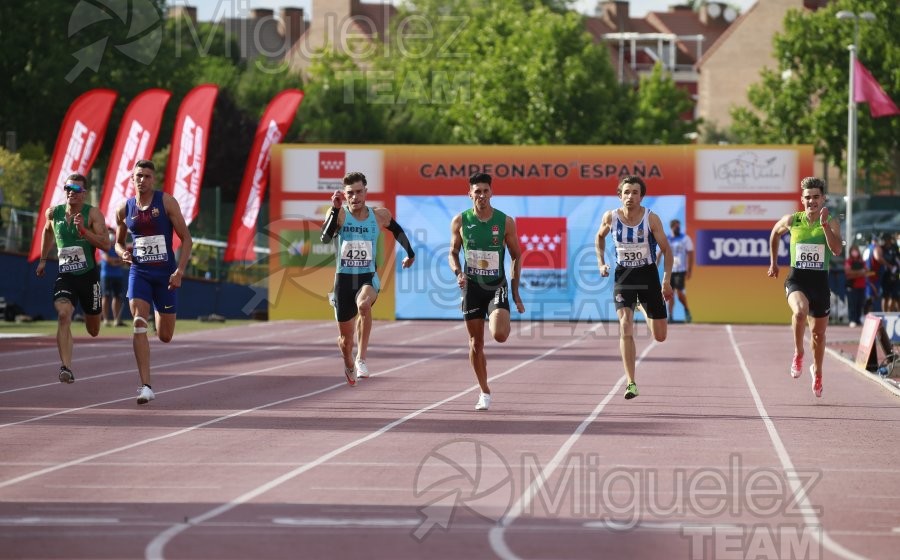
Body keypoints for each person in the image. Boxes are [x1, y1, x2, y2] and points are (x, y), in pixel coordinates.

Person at [320, 171, 415, 386]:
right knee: (345, 341)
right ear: (344, 195)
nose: (355, 197)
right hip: (343, 280)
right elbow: (325, 237)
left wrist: (410, 253)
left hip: (367, 276)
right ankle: (348, 361)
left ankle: (361, 358)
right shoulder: (339, 214)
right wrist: (335, 210)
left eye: (359, 192)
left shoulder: (379, 215)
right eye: (350, 193)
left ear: (366, 191)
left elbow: (397, 230)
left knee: (364, 304)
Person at [114, 160, 192, 405]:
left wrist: (179, 271)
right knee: (138, 321)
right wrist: (122, 253)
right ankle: (146, 386)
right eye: (139, 175)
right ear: (132, 179)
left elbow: (187, 239)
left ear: (153, 179)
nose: (142, 180)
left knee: (165, 335)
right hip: (139, 273)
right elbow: (117, 242)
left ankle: (159, 314)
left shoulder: (166, 202)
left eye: (147, 176)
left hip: (165, 276)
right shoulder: (124, 208)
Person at [448, 172, 525, 411]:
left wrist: (515, 292)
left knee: (500, 335)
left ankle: (503, 316)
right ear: (469, 194)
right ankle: (484, 391)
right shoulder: (460, 221)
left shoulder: (505, 221)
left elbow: (516, 256)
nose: (481, 195)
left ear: (491, 193)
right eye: (477, 191)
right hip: (471, 288)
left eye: (485, 191)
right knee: (475, 344)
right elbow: (452, 252)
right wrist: (458, 273)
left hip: (496, 286)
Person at [595, 176, 672, 400]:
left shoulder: (651, 219)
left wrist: (666, 280)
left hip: (648, 275)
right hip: (624, 275)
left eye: (635, 192)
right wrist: (601, 263)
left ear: (641, 196)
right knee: (625, 324)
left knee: (660, 336)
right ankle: (631, 382)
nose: (630, 197)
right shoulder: (611, 217)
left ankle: (643, 307)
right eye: (626, 192)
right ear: (619, 195)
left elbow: (667, 251)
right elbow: (599, 237)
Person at [767, 176, 842, 398]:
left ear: (823, 198)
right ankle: (799, 353)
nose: (812, 201)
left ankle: (817, 372)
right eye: (808, 198)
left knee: (818, 334)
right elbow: (774, 233)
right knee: (799, 312)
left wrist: (825, 225)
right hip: (797, 280)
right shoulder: (792, 220)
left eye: (816, 197)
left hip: (820, 283)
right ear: (802, 199)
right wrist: (773, 262)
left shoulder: (832, 222)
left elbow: (837, 250)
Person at [35, 174, 110, 383]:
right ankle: (65, 367)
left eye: (76, 190)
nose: (71, 192)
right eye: (68, 188)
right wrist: (43, 259)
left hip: (88, 276)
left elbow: (106, 245)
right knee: (63, 314)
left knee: (93, 329)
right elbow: (47, 231)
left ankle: (91, 316)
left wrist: (84, 232)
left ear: (84, 194)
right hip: (66, 275)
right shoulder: (54, 213)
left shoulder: (92, 214)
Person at [664, 218, 693, 323]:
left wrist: (689, 269)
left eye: (679, 226)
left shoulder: (685, 239)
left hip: (680, 270)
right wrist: (655, 264)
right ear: (672, 227)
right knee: (669, 293)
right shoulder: (667, 239)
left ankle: (686, 309)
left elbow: (690, 254)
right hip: (669, 270)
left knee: (679, 293)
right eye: (676, 226)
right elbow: (660, 253)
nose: (678, 228)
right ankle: (670, 315)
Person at [99, 228, 127, 327]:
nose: (111, 235)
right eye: (109, 233)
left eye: (112, 233)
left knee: (117, 297)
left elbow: (124, 260)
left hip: (118, 275)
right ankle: (105, 319)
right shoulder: (103, 246)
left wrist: (116, 261)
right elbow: (108, 259)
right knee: (106, 297)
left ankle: (117, 319)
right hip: (106, 275)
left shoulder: (118, 246)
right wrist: (117, 261)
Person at [844, 244, 871, 327]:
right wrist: (860, 273)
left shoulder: (861, 261)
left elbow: (866, 271)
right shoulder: (849, 261)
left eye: (856, 250)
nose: (855, 252)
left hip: (861, 286)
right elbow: (848, 272)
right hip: (852, 287)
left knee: (860, 304)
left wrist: (858, 273)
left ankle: (858, 319)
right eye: (853, 250)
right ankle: (852, 320)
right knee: (852, 304)